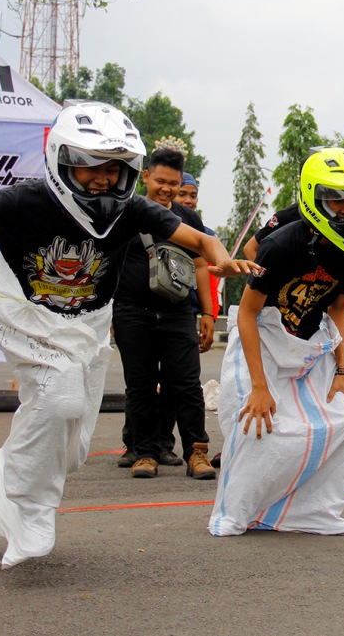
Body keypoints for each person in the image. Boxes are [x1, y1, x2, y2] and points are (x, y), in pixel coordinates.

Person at [0, 101, 258, 567]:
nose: (102, 178)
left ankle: (0, 491)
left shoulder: (132, 210)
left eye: (115, 169)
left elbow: (200, 240)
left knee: (72, 445)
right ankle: (29, 514)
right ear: (62, 160)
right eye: (90, 167)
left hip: (87, 322)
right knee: (60, 403)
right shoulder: (25, 202)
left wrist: (222, 258)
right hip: (23, 311)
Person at [209, 147, 344, 536]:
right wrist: (259, 385)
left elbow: (337, 311)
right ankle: (235, 513)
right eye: (338, 201)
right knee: (260, 426)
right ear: (316, 199)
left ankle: (303, 512)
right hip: (263, 340)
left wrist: (343, 372)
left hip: (309, 345)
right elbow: (247, 314)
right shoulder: (280, 244)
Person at [112, 148, 220, 479]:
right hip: (132, 313)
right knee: (141, 385)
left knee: (186, 384)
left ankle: (196, 452)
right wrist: (110, 315)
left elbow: (201, 264)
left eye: (173, 183)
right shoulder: (125, 212)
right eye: (160, 181)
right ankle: (145, 453)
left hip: (177, 315)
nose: (167, 189)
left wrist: (207, 312)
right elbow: (110, 264)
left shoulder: (189, 219)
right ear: (145, 176)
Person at [176, 172, 221, 320]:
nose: (188, 201)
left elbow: (210, 277)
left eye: (193, 196)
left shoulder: (205, 236)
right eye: (182, 194)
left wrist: (210, 315)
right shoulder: (152, 226)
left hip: (187, 313)